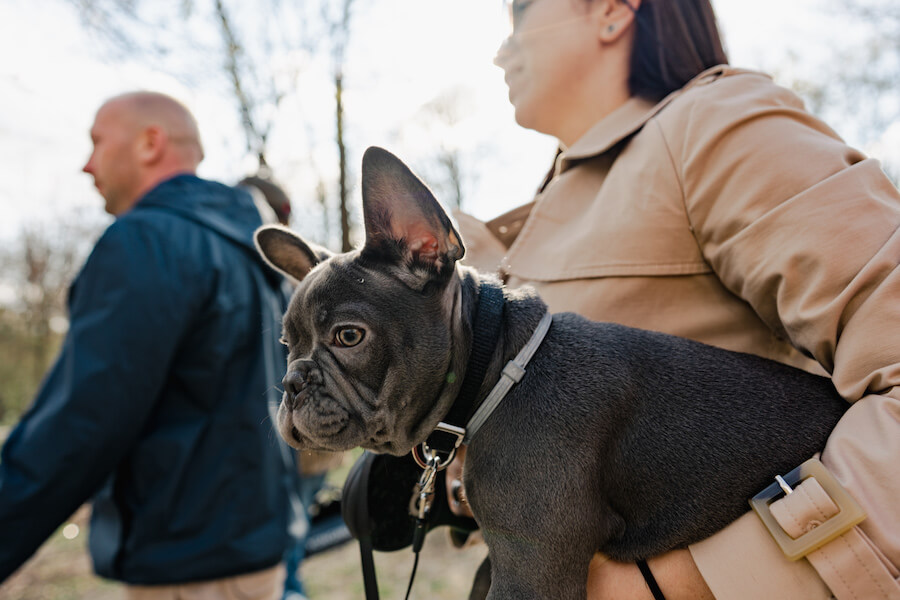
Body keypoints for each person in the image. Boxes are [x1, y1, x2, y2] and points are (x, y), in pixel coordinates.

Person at [447, 1, 900, 599]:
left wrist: (678, 585)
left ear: (611, 11)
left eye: (520, 14)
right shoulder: (551, 207)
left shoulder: (714, 125)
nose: (500, 50)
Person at [0, 91, 303, 599]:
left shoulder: (149, 241)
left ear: (149, 142)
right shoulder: (253, 255)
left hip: (190, 568)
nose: (87, 164)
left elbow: (82, 421)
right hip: (253, 556)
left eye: (97, 142)